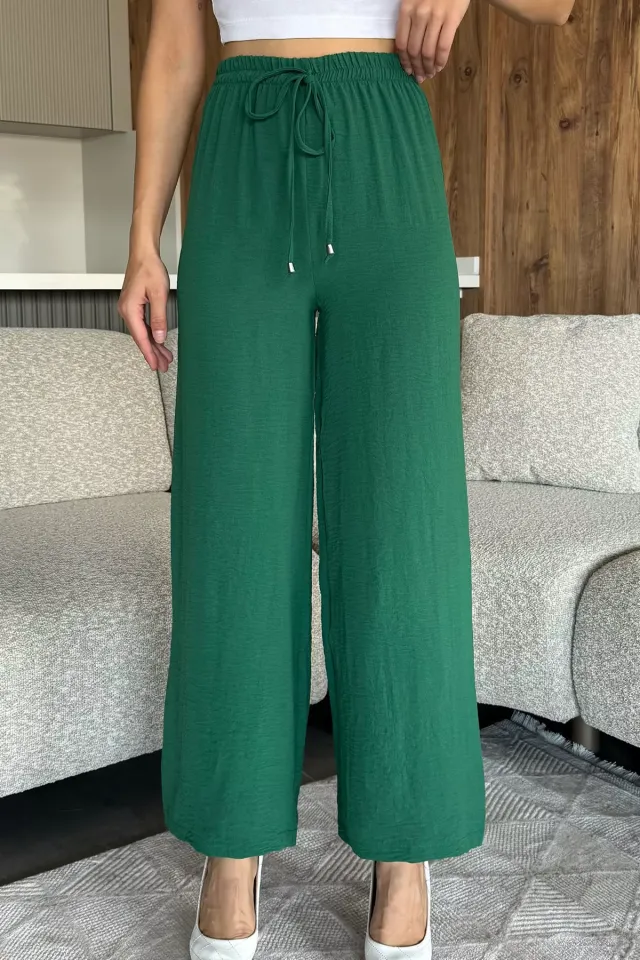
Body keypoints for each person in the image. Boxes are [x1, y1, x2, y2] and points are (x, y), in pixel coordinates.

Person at [118, 0, 573, 956]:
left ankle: (404, 854)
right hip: (239, 155)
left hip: (384, 138)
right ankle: (232, 847)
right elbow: (174, 45)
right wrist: (141, 239)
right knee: (232, 520)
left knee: (402, 519)